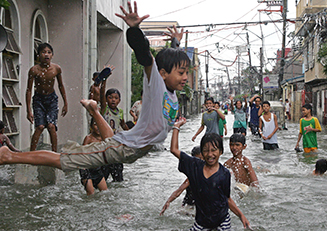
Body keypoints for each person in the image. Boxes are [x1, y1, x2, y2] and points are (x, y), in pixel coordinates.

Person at [0, 2, 190, 173]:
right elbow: (145, 55)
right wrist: (135, 30)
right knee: (63, 160)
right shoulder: (156, 83)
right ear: (163, 73)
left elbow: (170, 62)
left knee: (111, 142)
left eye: (186, 72)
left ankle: (94, 110)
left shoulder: (171, 92)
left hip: (133, 148)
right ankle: (9, 156)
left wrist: (176, 43)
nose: (185, 77)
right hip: (126, 148)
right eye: (181, 73)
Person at [170, 117, 251, 231]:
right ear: (202, 153)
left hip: (223, 220)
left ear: (221, 152)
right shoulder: (195, 166)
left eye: (214, 150)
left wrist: (241, 215)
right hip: (201, 222)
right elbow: (174, 149)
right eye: (206, 150)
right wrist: (176, 127)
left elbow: (227, 199)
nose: (210, 154)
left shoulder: (225, 174)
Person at [26, 42, 68, 152]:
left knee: (51, 126)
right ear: (39, 55)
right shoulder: (34, 70)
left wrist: (65, 103)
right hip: (39, 99)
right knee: (40, 127)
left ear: (52, 55)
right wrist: (28, 110)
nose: (46, 55)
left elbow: (60, 85)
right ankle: (32, 153)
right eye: (43, 52)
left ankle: (54, 153)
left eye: (49, 52)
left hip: (52, 99)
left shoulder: (56, 69)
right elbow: (29, 90)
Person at [160, 146, 202, 215]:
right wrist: (168, 201)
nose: (200, 162)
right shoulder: (191, 177)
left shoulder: (210, 174)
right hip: (188, 205)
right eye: (198, 159)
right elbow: (179, 190)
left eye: (202, 159)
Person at [79, 118, 108, 195]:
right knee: (91, 193)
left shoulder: (105, 138)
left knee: (105, 192)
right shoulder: (89, 138)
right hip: (86, 168)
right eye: (95, 124)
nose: (98, 127)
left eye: (100, 125)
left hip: (97, 168)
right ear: (91, 126)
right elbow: (82, 153)